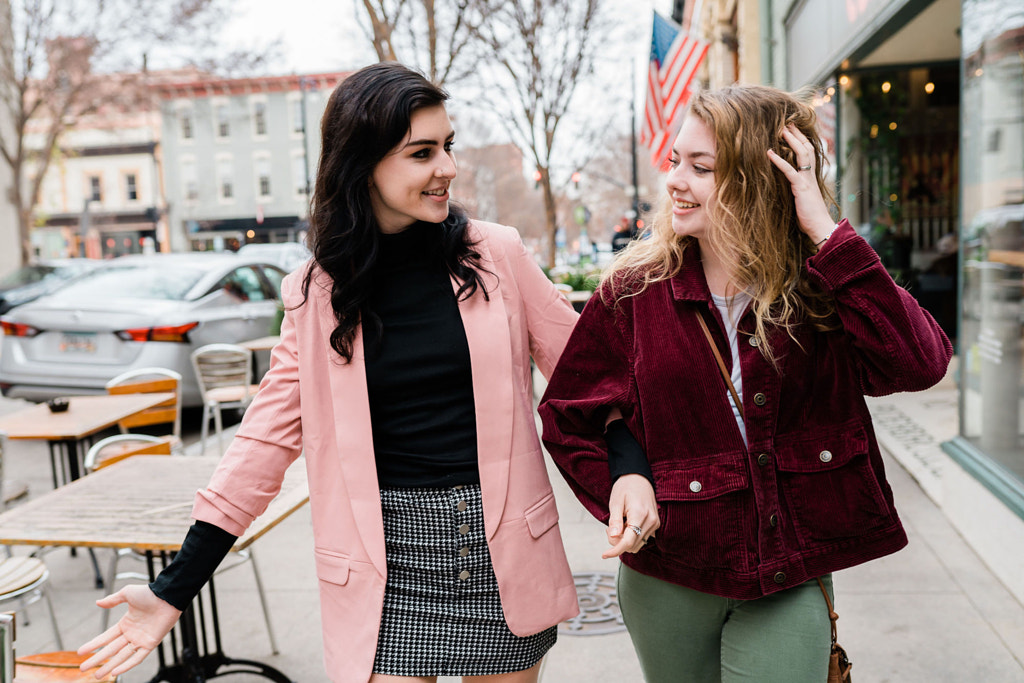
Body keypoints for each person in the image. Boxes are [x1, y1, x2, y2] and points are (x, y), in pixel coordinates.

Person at [78, 62, 580, 683]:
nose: (446, 168)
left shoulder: (496, 254)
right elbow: (261, 447)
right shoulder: (317, 295)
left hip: (501, 553)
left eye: (448, 147)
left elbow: (589, 380)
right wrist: (174, 587)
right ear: (362, 164)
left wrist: (636, 484)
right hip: (385, 567)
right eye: (421, 153)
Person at [538, 83, 952, 683]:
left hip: (791, 572)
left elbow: (919, 363)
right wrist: (622, 481)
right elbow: (568, 413)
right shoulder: (634, 291)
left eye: (700, 167)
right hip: (669, 573)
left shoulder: (822, 284)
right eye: (676, 160)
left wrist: (825, 231)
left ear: (764, 181)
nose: (675, 180)